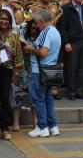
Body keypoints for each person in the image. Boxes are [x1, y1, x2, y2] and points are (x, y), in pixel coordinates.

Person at [24, 8, 61, 138]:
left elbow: (43, 52)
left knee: (38, 99)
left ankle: (42, 127)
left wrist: (31, 49)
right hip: (51, 69)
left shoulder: (46, 32)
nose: (36, 25)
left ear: (40, 20)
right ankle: (53, 126)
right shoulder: (55, 31)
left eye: (36, 22)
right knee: (48, 99)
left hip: (40, 70)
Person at [0, 9, 21, 140]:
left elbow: (19, 55)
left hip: (7, 69)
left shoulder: (14, 35)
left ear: (10, 21)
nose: (4, 21)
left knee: (5, 98)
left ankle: (4, 128)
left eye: (6, 19)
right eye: (2, 19)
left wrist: (16, 72)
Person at [57, 0, 83, 100]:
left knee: (82, 68)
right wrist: (66, 42)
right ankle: (72, 91)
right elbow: (62, 27)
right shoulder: (66, 8)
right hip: (72, 43)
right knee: (71, 68)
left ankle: (79, 90)